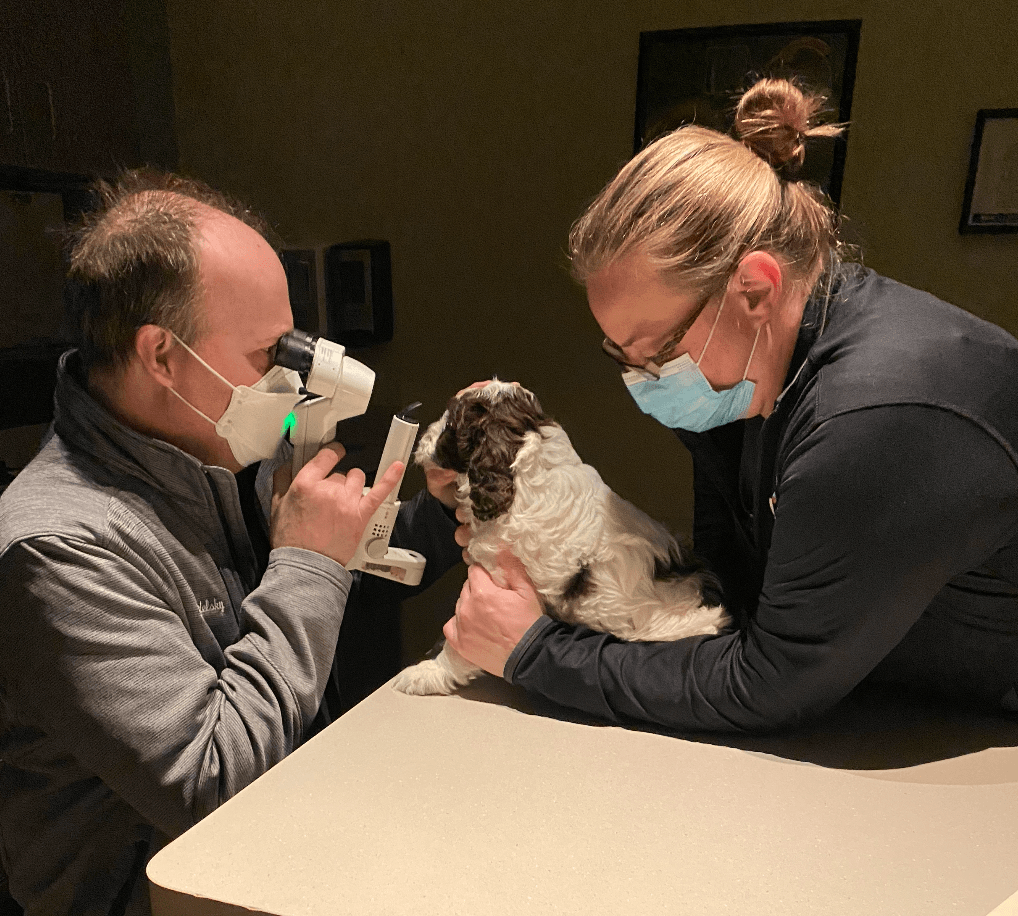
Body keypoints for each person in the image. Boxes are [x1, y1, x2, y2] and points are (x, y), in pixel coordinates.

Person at [443, 77, 1018, 733]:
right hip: (905, 704)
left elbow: (767, 683)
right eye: (621, 353)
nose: (643, 378)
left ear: (756, 289)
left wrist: (535, 652)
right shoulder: (745, 380)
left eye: (658, 349)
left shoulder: (872, 417)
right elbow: (733, 593)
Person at [0, 171, 464, 916]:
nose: (291, 379)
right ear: (161, 355)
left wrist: (444, 512)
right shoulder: (58, 549)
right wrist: (309, 559)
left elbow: (325, 592)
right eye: (269, 353)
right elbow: (214, 783)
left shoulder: (216, 450)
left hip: (283, 843)